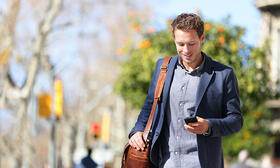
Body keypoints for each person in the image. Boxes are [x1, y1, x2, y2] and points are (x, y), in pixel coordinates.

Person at [128, 13, 243, 168]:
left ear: (202, 39)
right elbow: (150, 105)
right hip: (164, 163)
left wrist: (208, 126)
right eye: (180, 44)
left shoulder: (224, 74)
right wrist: (137, 131)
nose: (186, 50)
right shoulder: (163, 68)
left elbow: (236, 121)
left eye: (191, 43)